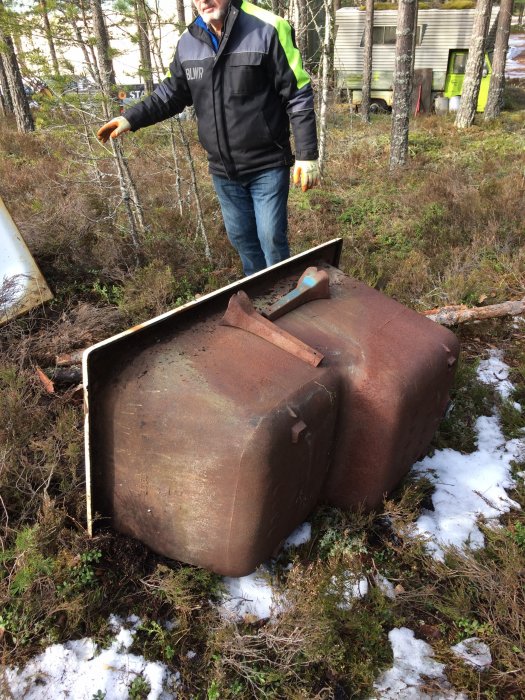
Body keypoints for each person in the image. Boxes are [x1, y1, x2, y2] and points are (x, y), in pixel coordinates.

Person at [97, 0, 319, 276]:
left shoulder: (269, 28)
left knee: (271, 239)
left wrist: (307, 155)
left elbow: (297, 93)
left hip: (267, 164)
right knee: (242, 240)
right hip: (223, 170)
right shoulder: (188, 41)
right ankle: (261, 296)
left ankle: (285, 295)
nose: (204, 0)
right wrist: (131, 118)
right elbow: (171, 94)